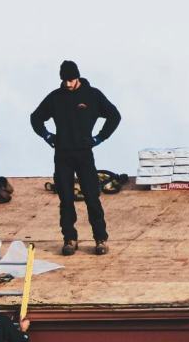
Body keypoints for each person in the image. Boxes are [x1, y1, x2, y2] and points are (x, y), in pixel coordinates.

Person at [30, 60, 121, 256]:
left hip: (84, 154)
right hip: (62, 154)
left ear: (77, 77)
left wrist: (99, 138)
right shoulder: (55, 97)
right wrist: (47, 136)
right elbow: (35, 117)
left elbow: (114, 115)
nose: (68, 84)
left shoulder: (92, 95)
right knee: (65, 198)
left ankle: (100, 239)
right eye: (64, 80)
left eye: (71, 80)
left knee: (91, 196)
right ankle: (70, 239)